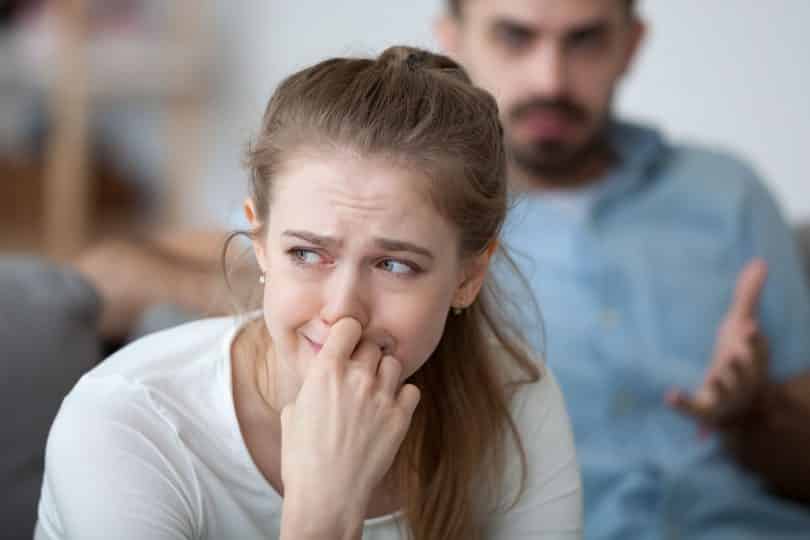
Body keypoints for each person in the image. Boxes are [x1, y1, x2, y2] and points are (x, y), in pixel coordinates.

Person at [35, 46, 582, 539]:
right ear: (262, 243)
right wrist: (324, 508)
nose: (344, 308)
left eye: (394, 264)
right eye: (307, 253)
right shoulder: (128, 423)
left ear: (468, 276)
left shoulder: (516, 401)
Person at [434, 0, 810, 537]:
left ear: (630, 45)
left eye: (584, 40)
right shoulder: (422, 228)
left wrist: (754, 416)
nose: (552, 80)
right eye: (515, 38)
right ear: (454, 40)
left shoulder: (729, 192)